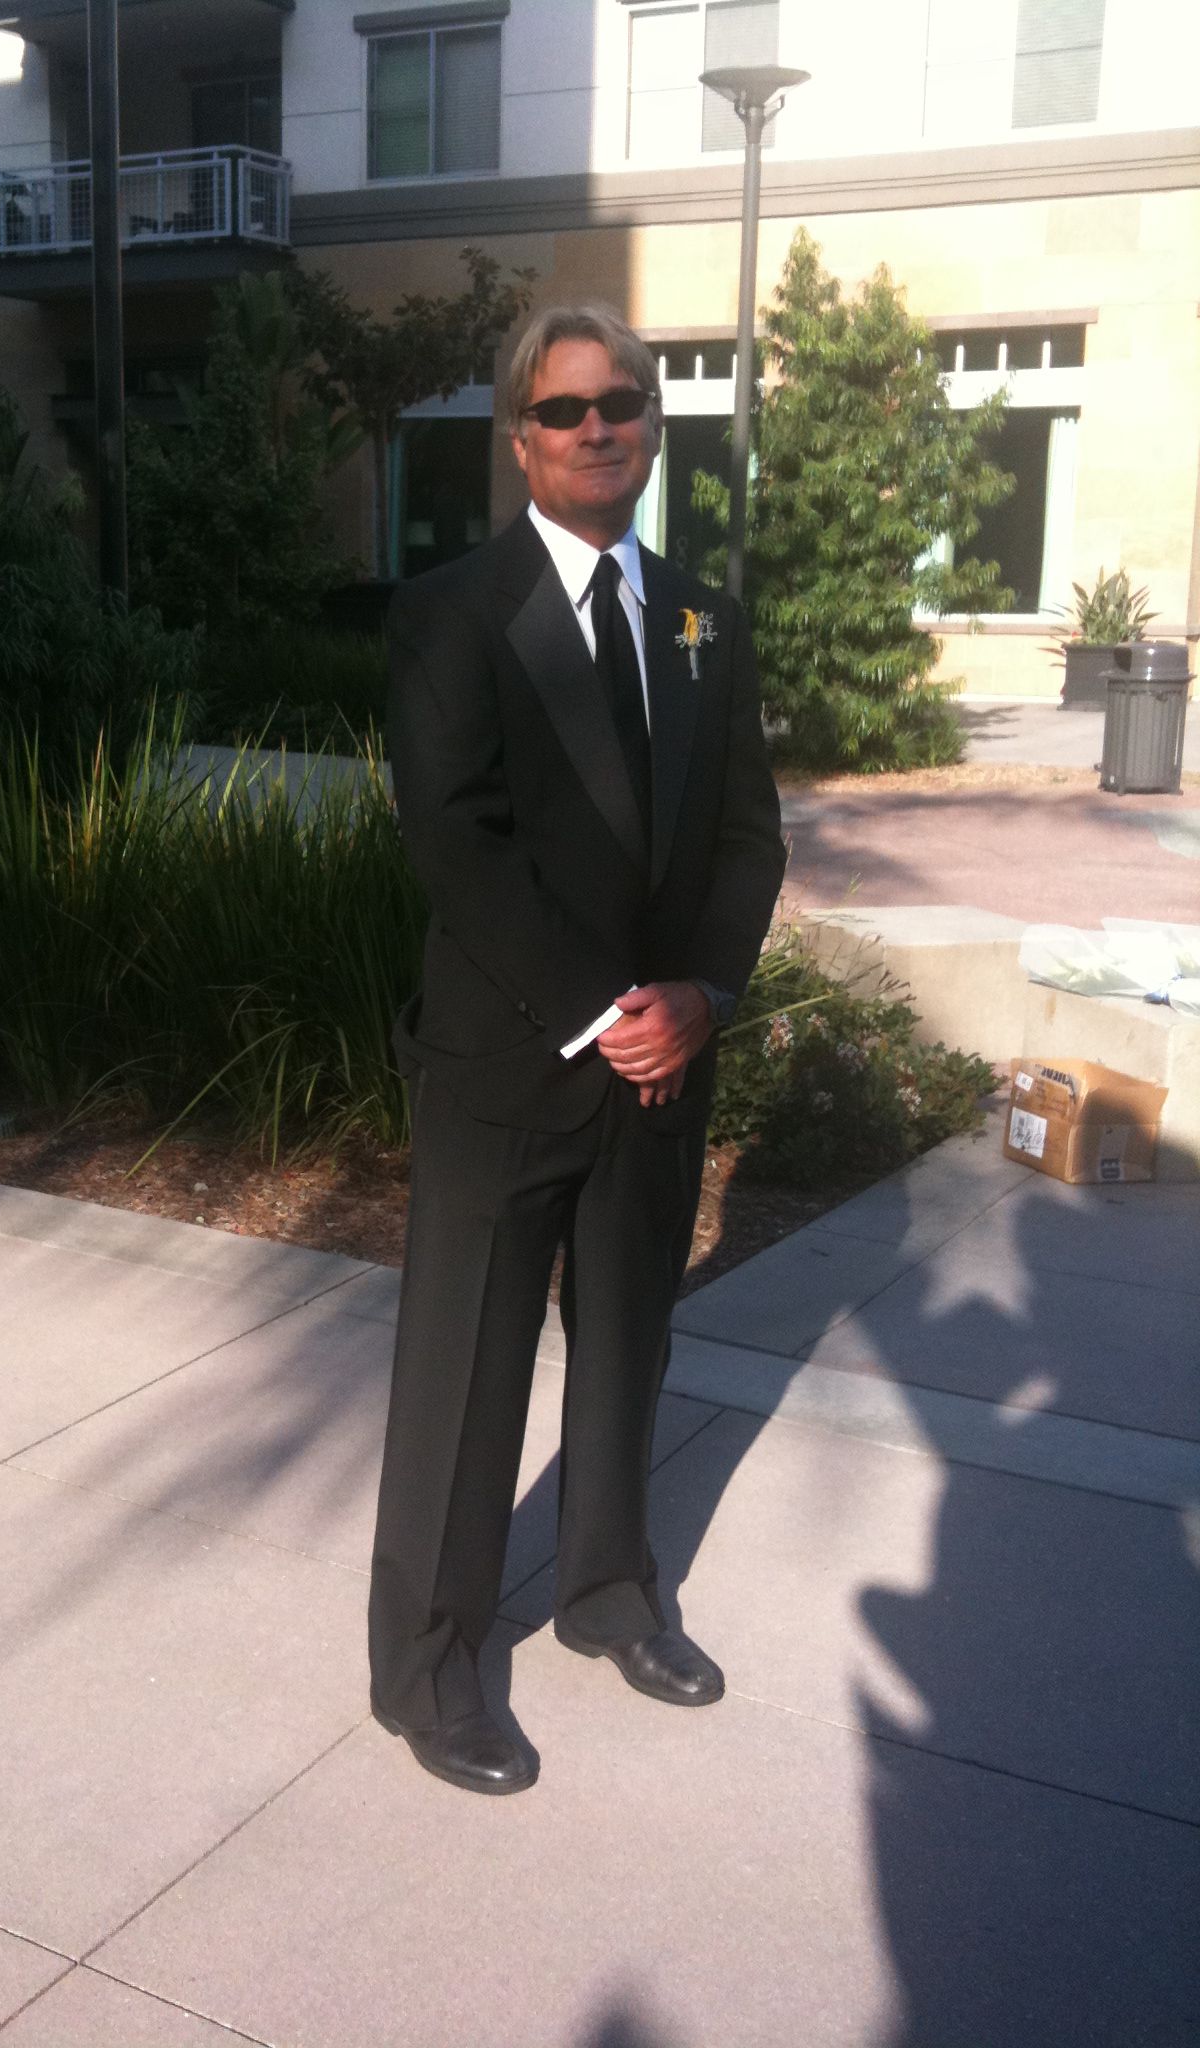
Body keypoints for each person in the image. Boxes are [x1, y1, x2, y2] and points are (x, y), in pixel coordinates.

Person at [369, 304, 786, 1795]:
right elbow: (458, 844)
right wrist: (614, 1011)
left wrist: (705, 996)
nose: (596, 426)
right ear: (520, 438)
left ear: (654, 425)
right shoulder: (453, 613)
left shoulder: (703, 619)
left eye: (622, 401)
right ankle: (428, 1669)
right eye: (563, 409)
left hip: (664, 1067)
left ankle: (609, 1591)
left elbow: (748, 836)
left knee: (626, 1341)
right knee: (466, 1378)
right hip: (512, 1064)